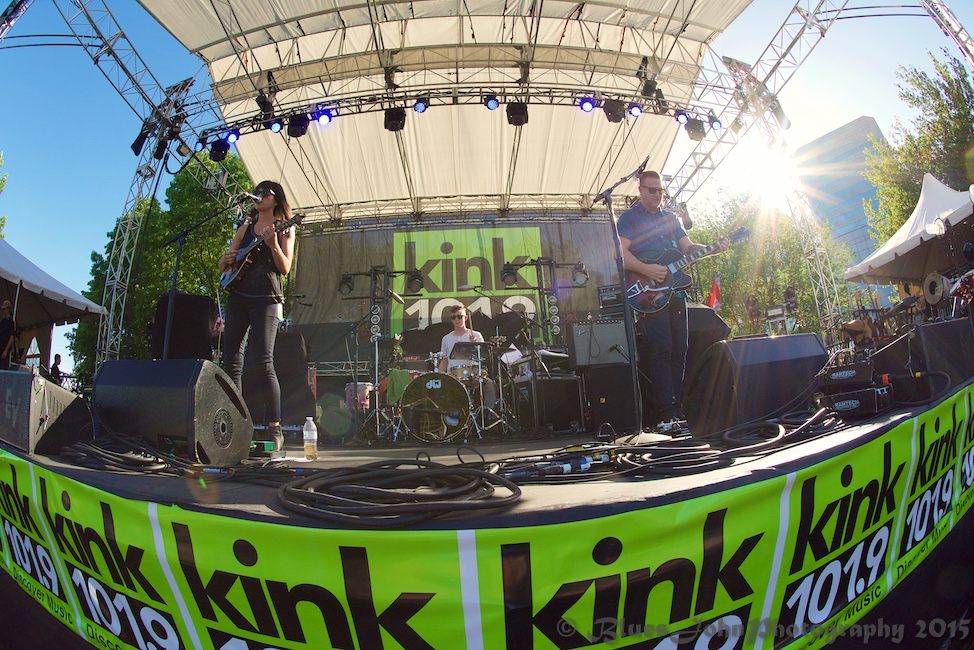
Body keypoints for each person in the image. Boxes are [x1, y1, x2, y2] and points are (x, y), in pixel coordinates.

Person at [618, 170, 727, 425]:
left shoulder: (671, 218)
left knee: (680, 349)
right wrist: (646, 270)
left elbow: (688, 249)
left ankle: (678, 411)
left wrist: (713, 249)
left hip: (675, 291)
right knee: (662, 348)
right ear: (640, 190)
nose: (657, 195)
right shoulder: (630, 218)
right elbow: (620, 253)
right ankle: (665, 414)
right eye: (652, 190)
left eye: (660, 191)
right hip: (649, 292)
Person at [218, 181, 296, 451]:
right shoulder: (244, 228)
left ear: (276, 199)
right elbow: (223, 266)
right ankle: (234, 425)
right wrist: (226, 258)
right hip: (238, 295)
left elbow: (285, 268)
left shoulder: (285, 227)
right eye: (257, 191)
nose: (258, 195)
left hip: (267, 298)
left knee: (264, 361)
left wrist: (273, 245)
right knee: (231, 361)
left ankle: (275, 428)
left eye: (265, 192)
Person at [0, 300, 14, 371]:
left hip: (4, 349)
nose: (3, 311)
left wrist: (6, 350)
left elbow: (11, 337)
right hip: (1, 347)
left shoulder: (10, 322)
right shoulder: (3, 321)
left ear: (8, 309)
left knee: (3, 368)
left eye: (4, 309)